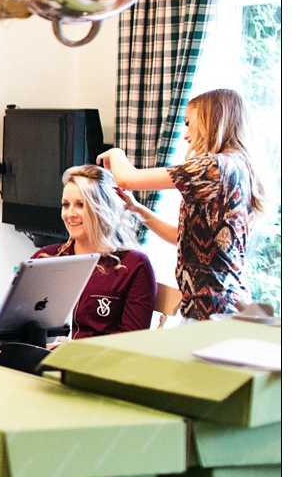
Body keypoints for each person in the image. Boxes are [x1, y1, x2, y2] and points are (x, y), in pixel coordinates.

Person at [99, 89, 265, 321]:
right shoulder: (238, 167)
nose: (185, 135)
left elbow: (128, 178)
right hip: (222, 304)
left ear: (211, 120)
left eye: (188, 123)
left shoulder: (213, 167)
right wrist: (136, 208)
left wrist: (116, 152)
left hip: (211, 310)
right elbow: (183, 238)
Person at [29, 165, 156, 339]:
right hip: (44, 358)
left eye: (81, 205)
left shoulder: (134, 265)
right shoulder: (45, 258)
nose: (70, 214)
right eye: (66, 205)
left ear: (103, 208)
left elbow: (132, 342)